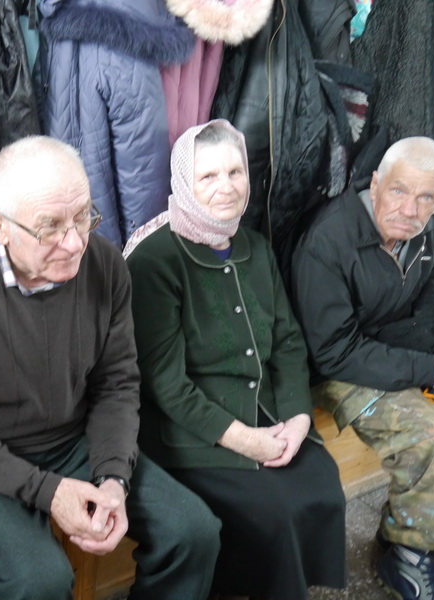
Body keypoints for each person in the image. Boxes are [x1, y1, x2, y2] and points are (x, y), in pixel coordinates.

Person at [0, 135, 221, 600]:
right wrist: (49, 492)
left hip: (75, 441)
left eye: (83, 216)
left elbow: (116, 384)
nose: (74, 243)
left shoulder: (105, 264)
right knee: (40, 582)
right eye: (49, 227)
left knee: (193, 532)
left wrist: (114, 478)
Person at [124, 119, 347, 600]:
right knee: (275, 513)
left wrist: (298, 417)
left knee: (322, 483)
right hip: (189, 434)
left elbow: (287, 342)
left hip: (263, 413)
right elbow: (165, 385)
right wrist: (246, 441)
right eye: (207, 176)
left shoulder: (255, 247)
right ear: (183, 182)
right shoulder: (155, 259)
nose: (225, 186)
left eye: (235, 172)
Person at [291, 136, 434, 600]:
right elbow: (333, 352)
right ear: (375, 184)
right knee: (430, 434)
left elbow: (432, 309)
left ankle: (417, 527)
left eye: (427, 198)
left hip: (393, 349)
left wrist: (426, 361)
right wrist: (429, 370)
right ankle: (409, 557)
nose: (411, 210)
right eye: (399, 190)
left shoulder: (428, 232)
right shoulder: (328, 241)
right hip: (337, 369)